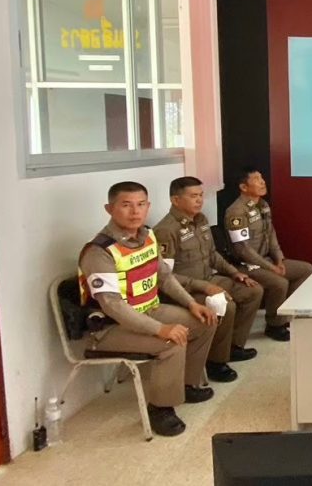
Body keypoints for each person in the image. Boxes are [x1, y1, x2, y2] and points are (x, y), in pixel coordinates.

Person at [78, 181, 218, 436]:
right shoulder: (99, 251)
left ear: (148, 206)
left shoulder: (148, 236)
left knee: (206, 320)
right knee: (172, 341)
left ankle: (186, 384)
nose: (135, 212)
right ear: (109, 209)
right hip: (111, 327)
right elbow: (113, 306)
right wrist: (160, 329)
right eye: (126, 205)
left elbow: (165, 277)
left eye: (141, 204)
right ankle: (161, 408)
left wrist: (191, 303)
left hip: (149, 310)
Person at [153, 177, 263, 382]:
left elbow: (213, 255)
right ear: (175, 200)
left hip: (209, 279)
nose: (199, 200)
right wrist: (204, 286)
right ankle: (216, 361)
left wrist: (234, 272)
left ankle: (233, 346)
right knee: (226, 305)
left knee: (252, 290)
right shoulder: (165, 230)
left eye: (201, 195)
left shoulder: (201, 220)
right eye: (193, 196)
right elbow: (165, 275)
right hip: (186, 289)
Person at [224, 168, 312, 341]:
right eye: (256, 179)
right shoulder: (236, 212)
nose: (262, 182)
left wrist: (279, 259)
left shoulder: (263, 205)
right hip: (245, 265)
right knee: (279, 282)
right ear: (244, 187)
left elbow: (271, 235)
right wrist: (271, 267)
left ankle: (284, 316)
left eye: (262, 178)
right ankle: (274, 325)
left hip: (267, 260)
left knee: (305, 269)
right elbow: (243, 249)